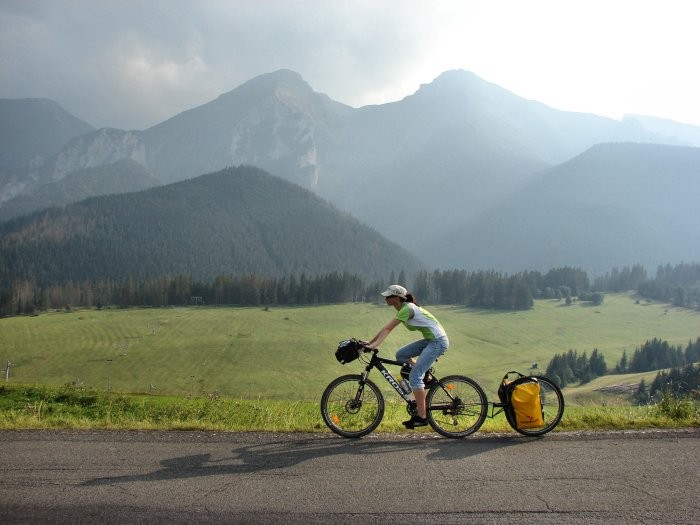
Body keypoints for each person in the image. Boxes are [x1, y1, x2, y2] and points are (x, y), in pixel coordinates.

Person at [366, 284, 449, 428]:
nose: (385, 298)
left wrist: (373, 346)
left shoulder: (407, 308)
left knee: (415, 376)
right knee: (401, 355)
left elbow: (388, 328)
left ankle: (422, 417)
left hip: (438, 342)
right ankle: (426, 376)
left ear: (397, 298)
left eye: (389, 296)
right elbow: (384, 328)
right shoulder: (404, 308)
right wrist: (370, 342)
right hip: (431, 340)